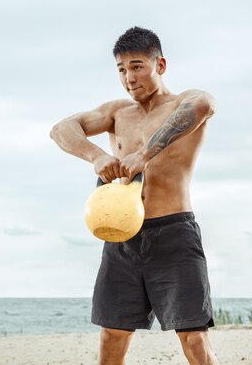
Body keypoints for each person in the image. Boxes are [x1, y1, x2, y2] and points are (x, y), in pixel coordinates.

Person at [50, 26, 219, 365]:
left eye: (137, 65)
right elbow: (61, 129)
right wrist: (96, 156)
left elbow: (204, 105)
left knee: (194, 339)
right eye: (122, 69)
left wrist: (143, 154)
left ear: (161, 65)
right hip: (122, 237)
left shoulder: (184, 102)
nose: (129, 77)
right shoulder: (116, 113)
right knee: (111, 336)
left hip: (173, 232)